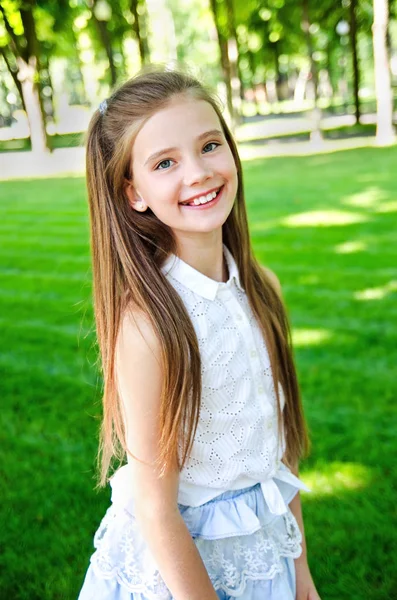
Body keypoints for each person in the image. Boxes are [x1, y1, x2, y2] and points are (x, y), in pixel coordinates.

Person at [78, 65, 321, 600]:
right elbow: (156, 507)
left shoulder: (262, 289)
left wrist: (299, 571)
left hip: (264, 557)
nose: (198, 172)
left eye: (210, 145)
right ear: (134, 193)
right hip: (180, 576)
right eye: (165, 162)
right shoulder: (150, 326)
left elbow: (278, 455)